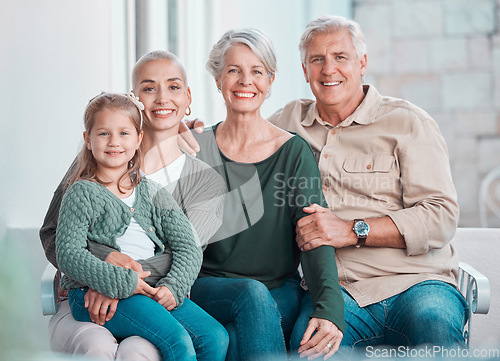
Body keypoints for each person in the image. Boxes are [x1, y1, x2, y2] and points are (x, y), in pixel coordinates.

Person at [266, 15, 468, 355]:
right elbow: (235, 141)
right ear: (305, 71)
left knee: (438, 338)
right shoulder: (286, 124)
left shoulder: (408, 123)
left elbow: (441, 217)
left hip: (419, 283)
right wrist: (185, 130)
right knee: (310, 349)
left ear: (362, 62)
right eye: (317, 60)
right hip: (338, 294)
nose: (328, 69)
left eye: (340, 57)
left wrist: (352, 230)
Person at [40, 52, 228, 361]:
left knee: (214, 338)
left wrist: (139, 282)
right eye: (149, 87)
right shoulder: (86, 178)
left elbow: (186, 249)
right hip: (102, 290)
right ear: (135, 96)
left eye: (173, 87)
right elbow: (57, 239)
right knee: (177, 342)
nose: (162, 98)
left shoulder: (179, 183)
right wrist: (109, 275)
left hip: (155, 289)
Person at [188, 28, 345, 361]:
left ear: (270, 80)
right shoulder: (195, 149)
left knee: (234, 334)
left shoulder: (293, 152)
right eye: (234, 70)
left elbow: (315, 234)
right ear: (218, 79)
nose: (246, 81)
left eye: (257, 71)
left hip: (278, 289)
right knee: (248, 295)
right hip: (207, 286)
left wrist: (330, 309)